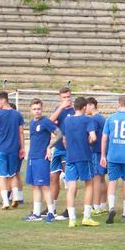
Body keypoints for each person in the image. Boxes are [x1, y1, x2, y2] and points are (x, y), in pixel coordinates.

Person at [50, 96, 99, 227]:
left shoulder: (67, 120)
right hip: (84, 156)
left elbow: (64, 139)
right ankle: (86, 217)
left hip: (70, 157)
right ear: (84, 107)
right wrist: (88, 141)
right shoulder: (88, 120)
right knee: (89, 185)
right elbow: (93, 137)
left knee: (71, 187)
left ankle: (72, 219)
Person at [102, 94, 125, 223]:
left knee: (112, 181)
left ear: (118, 103)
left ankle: (111, 207)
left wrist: (103, 155)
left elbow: (104, 138)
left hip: (113, 154)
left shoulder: (111, 118)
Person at [22, 98, 58, 222]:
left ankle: (51, 212)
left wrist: (50, 147)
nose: (37, 111)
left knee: (45, 186)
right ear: (31, 110)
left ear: (42, 109)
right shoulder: (32, 123)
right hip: (32, 157)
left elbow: (60, 134)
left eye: (39, 109)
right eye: (34, 109)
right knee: (35, 186)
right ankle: (36, 213)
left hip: (42, 158)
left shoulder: (46, 122)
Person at [47, 86, 74, 220]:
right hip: (57, 147)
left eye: (68, 97)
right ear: (60, 98)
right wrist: (61, 107)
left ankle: (69, 209)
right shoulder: (59, 110)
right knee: (53, 177)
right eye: (64, 97)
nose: (67, 99)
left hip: (69, 149)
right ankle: (52, 207)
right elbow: (49, 122)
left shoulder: (75, 111)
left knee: (69, 179)